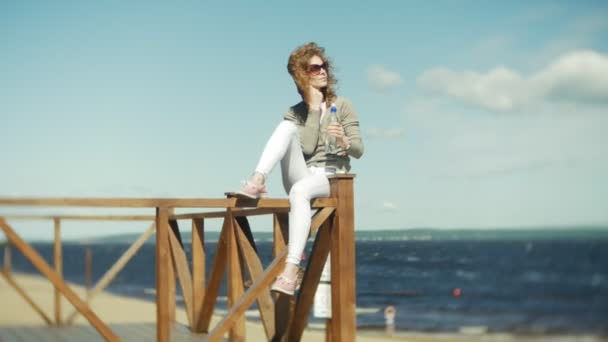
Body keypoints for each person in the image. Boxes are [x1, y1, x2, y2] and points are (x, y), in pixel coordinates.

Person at [236, 42, 364, 295]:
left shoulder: (343, 104)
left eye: (324, 66)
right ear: (303, 75)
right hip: (305, 172)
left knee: (299, 191)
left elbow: (359, 151)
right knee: (285, 127)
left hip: (333, 178)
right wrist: (314, 110)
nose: (323, 71)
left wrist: (344, 141)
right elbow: (306, 148)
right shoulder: (296, 112)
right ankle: (258, 179)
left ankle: (291, 271)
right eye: (315, 68)